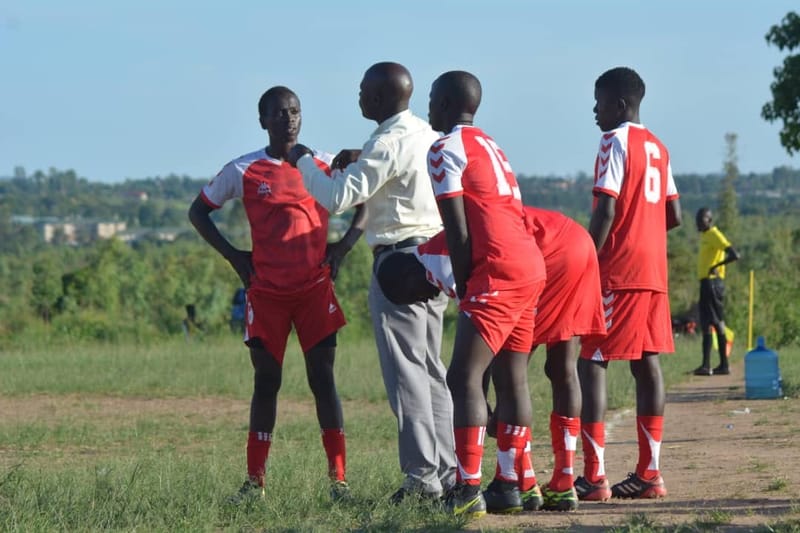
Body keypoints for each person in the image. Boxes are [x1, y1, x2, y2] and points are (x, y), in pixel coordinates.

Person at [286, 62, 455, 503]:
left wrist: (302, 160)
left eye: (364, 92)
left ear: (380, 98)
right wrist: (361, 157)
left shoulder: (386, 140)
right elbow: (401, 173)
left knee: (407, 377)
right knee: (432, 371)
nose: (359, 97)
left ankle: (421, 480)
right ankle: (450, 470)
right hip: (433, 260)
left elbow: (338, 198)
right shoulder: (422, 132)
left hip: (396, 260)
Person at [376, 206, 607, 512]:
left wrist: (481, 402)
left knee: (510, 370)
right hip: (576, 242)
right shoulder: (439, 255)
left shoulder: (443, 258)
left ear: (407, 277)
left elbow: (483, 341)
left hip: (546, 253)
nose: (426, 300)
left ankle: (514, 482)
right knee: (561, 368)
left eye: (414, 296)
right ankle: (561, 483)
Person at [188, 86, 349, 505]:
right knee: (267, 382)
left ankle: (338, 481)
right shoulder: (244, 170)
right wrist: (235, 259)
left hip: (314, 290)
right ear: (263, 120)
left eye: (294, 111)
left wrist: (342, 247)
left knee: (323, 381)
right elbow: (198, 211)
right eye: (279, 113)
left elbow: (366, 196)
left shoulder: (322, 164)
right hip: (267, 294)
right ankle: (254, 483)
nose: (289, 119)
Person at [425, 70, 547, 518]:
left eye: (432, 98)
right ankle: (512, 484)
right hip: (531, 264)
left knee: (463, 377)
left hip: (495, 268)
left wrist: (464, 288)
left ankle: (467, 488)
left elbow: (457, 231)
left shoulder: (442, 149)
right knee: (511, 376)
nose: (427, 106)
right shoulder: (491, 143)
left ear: (445, 103)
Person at [576, 67, 682, 502]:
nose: (594, 110)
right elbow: (673, 215)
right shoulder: (658, 146)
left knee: (590, 361)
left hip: (617, 270)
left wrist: (583, 258)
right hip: (654, 271)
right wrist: (644, 235)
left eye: (598, 101)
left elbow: (605, 210)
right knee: (647, 365)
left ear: (619, 105)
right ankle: (649, 473)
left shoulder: (613, 141)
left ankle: (594, 476)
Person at [694, 207, 740, 376]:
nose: (698, 222)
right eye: (697, 219)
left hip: (713, 284)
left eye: (702, 219)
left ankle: (723, 364)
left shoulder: (714, 234)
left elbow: (734, 254)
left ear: (709, 220)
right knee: (706, 322)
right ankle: (707, 365)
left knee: (717, 322)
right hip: (706, 283)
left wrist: (716, 267)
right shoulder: (705, 236)